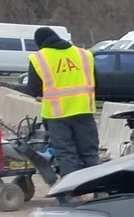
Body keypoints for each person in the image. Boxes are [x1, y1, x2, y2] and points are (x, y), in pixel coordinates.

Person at [25, 27, 100, 175]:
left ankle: (71, 193)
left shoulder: (39, 58)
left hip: (56, 115)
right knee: (90, 153)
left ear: (39, 43)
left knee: (66, 154)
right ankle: (98, 191)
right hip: (84, 111)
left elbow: (34, 89)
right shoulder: (84, 54)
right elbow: (96, 84)